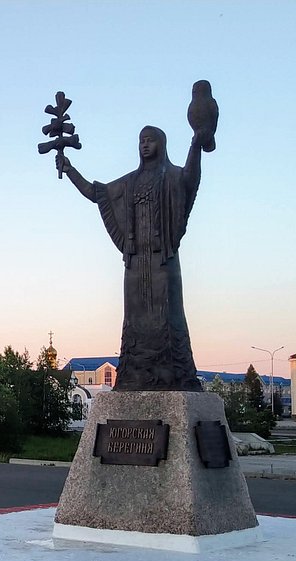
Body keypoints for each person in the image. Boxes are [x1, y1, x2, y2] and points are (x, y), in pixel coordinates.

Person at [56, 126, 204, 391]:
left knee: (168, 315)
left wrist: (197, 142)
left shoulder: (172, 176)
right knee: (134, 320)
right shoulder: (129, 183)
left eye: (150, 141)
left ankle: (172, 376)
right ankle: (135, 375)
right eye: (141, 141)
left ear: (162, 144)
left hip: (163, 259)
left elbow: (190, 179)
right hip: (135, 261)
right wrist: (69, 170)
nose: (145, 145)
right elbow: (95, 193)